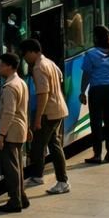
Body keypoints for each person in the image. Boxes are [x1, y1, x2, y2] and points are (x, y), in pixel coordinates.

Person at [20, 38, 70, 195]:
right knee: (53, 143)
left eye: (25, 55)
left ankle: (60, 180)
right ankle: (41, 176)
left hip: (49, 112)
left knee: (39, 145)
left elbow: (43, 94)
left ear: (32, 52)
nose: (25, 59)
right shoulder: (48, 62)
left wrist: (37, 119)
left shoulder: (38, 67)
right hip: (59, 107)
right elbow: (60, 76)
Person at [79, 25, 109, 165]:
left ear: (95, 38)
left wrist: (82, 91)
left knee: (96, 123)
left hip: (97, 90)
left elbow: (86, 75)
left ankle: (97, 154)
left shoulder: (91, 54)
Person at [0, 51, 30, 213]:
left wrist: (1, 134)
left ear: (9, 67)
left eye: (1, 65)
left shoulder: (9, 87)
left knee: (11, 168)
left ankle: (15, 200)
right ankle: (21, 196)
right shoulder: (21, 82)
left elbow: (9, 112)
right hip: (20, 129)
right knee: (18, 167)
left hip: (11, 131)